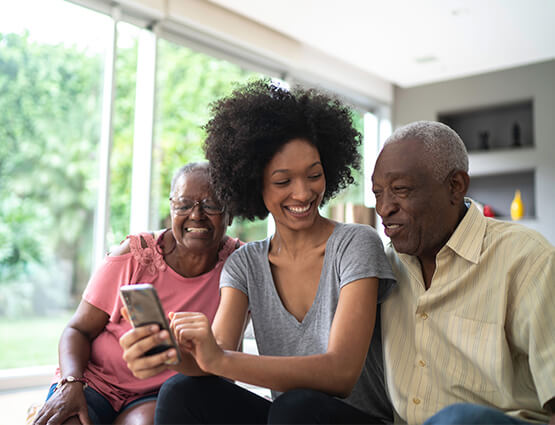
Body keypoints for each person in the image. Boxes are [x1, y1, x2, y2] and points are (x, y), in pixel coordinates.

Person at [120, 79, 396, 424]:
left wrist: (218, 359)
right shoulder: (245, 264)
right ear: (254, 184)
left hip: (353, 418)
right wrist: (167, 355)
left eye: (314, 175)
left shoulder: (356, 244)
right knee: (181, 391)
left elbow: (341, 374)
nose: (303, 193)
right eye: (283, 181)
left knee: (294, 408)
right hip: (287, 417)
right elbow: (216, 358)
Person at [371, 120, 555, 425]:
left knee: (457, 420)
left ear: (455, 186)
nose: (383, 208)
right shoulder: (385, 268)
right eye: (378, 193)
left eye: (400, 190)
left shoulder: (528, 260)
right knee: (302, 406)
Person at [33, 162, 240, 425]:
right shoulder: (133, 255)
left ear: (230, 213)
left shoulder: (239, 266)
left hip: (156, 394)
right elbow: (77, 330)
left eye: (211, 205)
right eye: (184, 205)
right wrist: (71, 382)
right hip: (92, 382)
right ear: (171, 209)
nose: (196, 215)